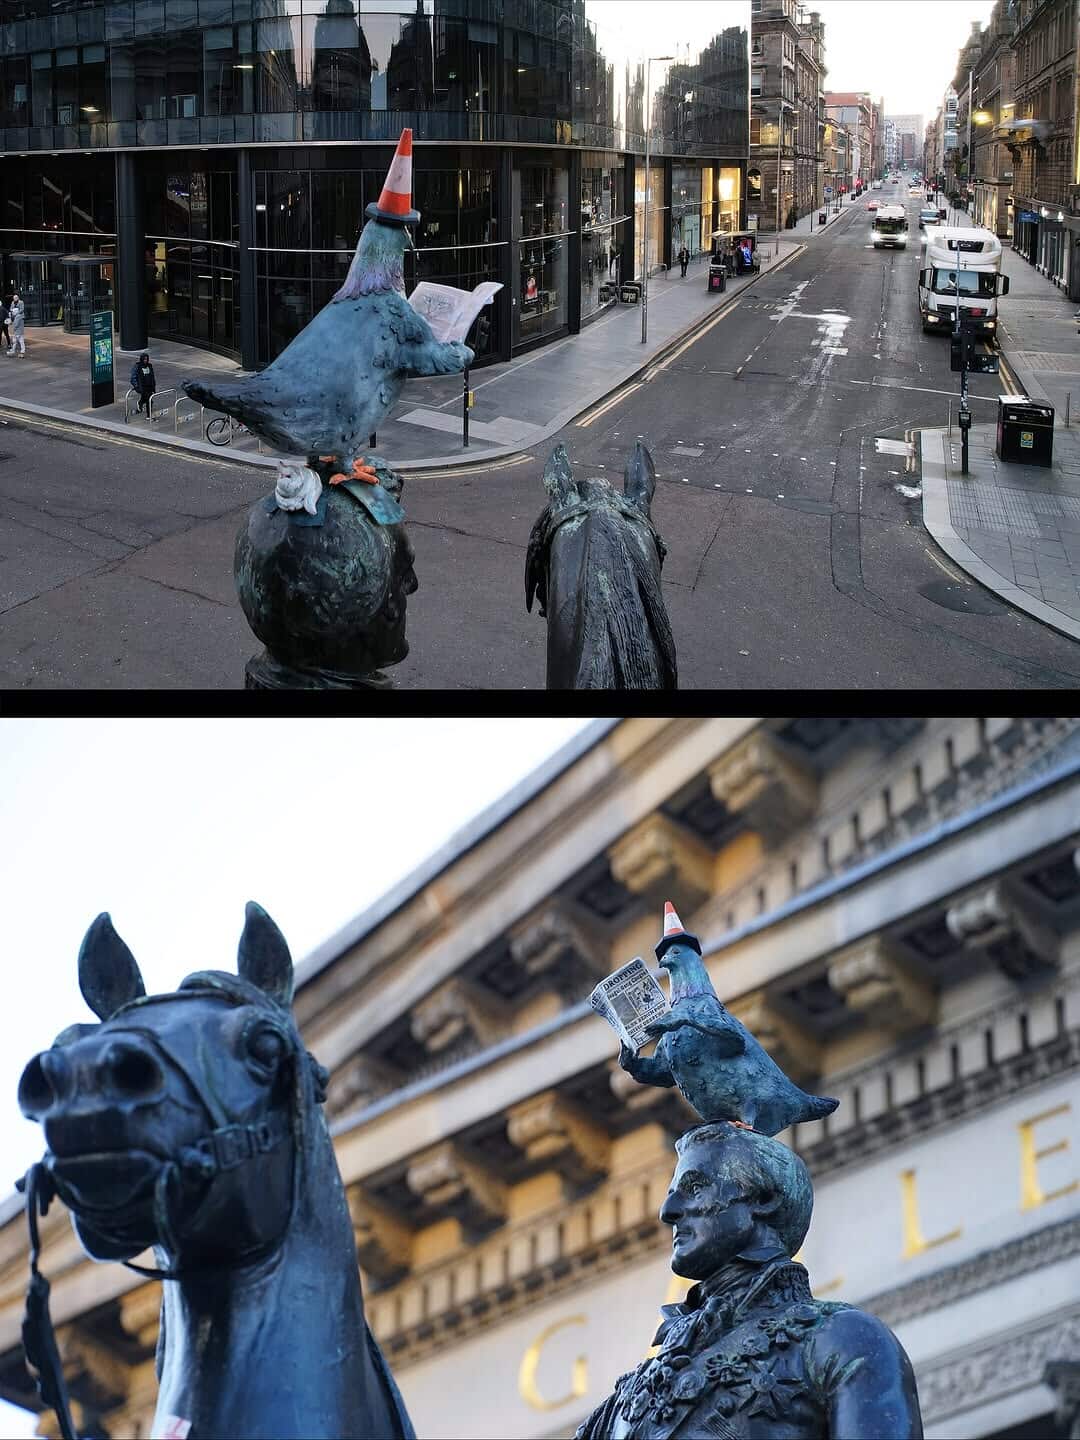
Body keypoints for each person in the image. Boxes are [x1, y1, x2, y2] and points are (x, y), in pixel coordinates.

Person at [575, 1122, 923, 1439]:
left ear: (764, 1200)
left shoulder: (839, 1339)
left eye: (695, 1187)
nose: (669, 1212)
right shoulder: (620, 1405)